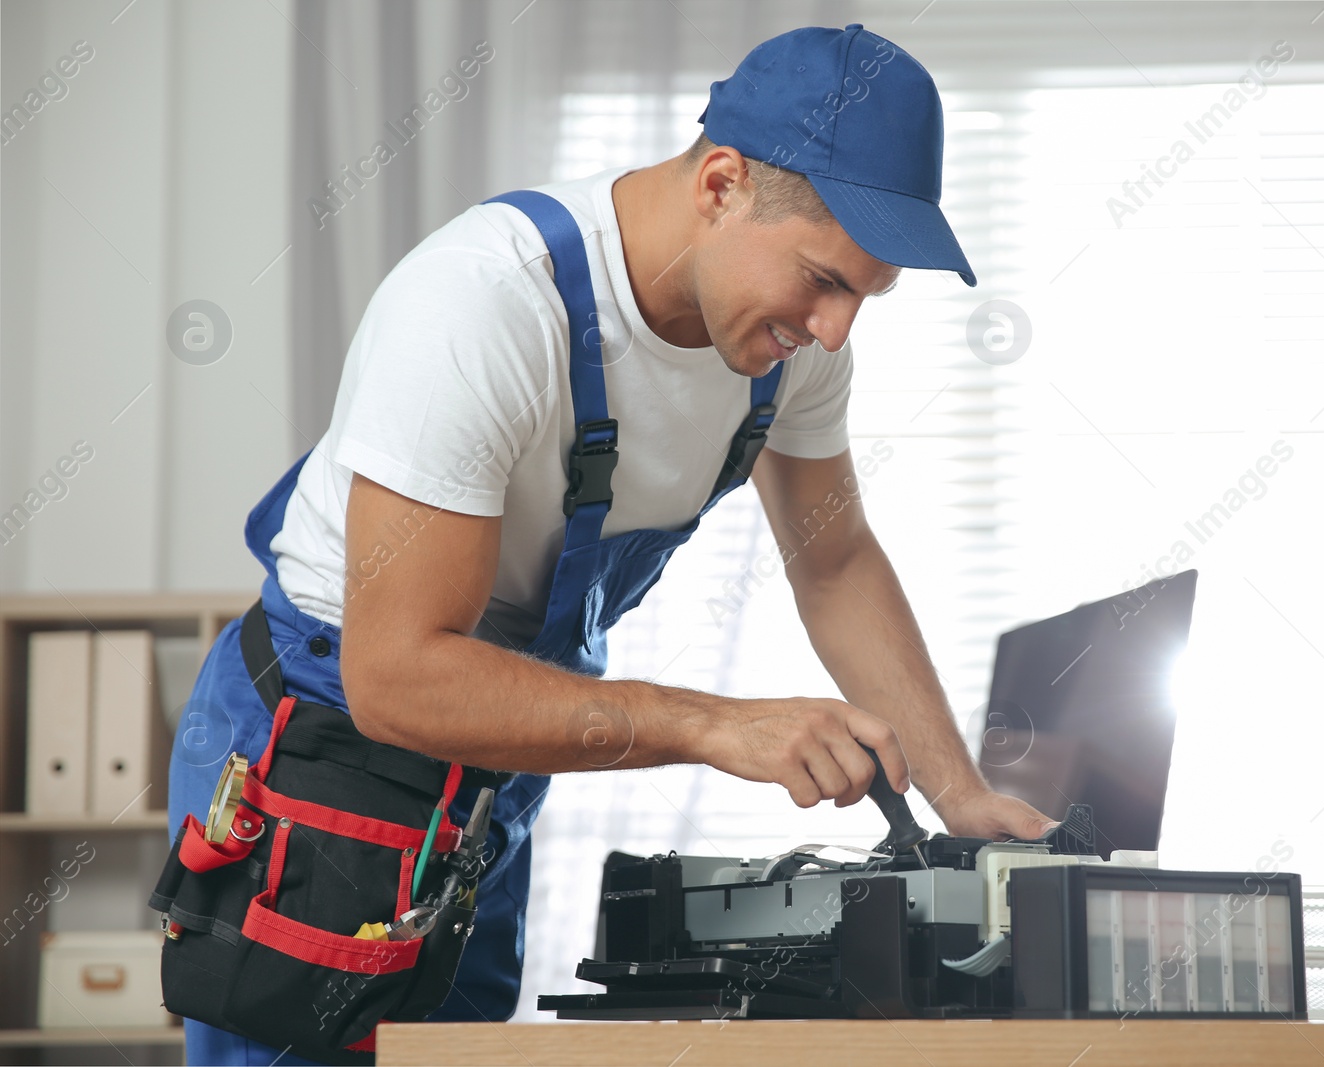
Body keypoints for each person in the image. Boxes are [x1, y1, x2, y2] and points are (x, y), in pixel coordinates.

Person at [167, 22, 1054, 1065]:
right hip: (324, 753)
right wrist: (716, 726)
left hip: (490, 774)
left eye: (864, 294)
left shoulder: (789, 349)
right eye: (823, 279)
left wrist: (958, 800)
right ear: (720, 184)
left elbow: (836, 557)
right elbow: (397, 674)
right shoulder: (484, 305)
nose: (835, 329)